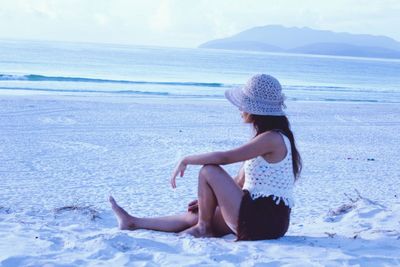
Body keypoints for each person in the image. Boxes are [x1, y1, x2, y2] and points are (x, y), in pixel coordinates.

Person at [110, 74, 302, 240]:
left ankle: (204, 228)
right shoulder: (266, 138)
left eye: (244, 105)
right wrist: (209, 200)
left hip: (263, 219)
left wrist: (186, 159)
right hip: (261, 218)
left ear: (256, 110)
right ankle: (133, 222)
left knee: (209, 169)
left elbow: (225, 158)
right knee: (197, 213)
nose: (240, 109)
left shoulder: (272, 138)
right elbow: (239, 181)